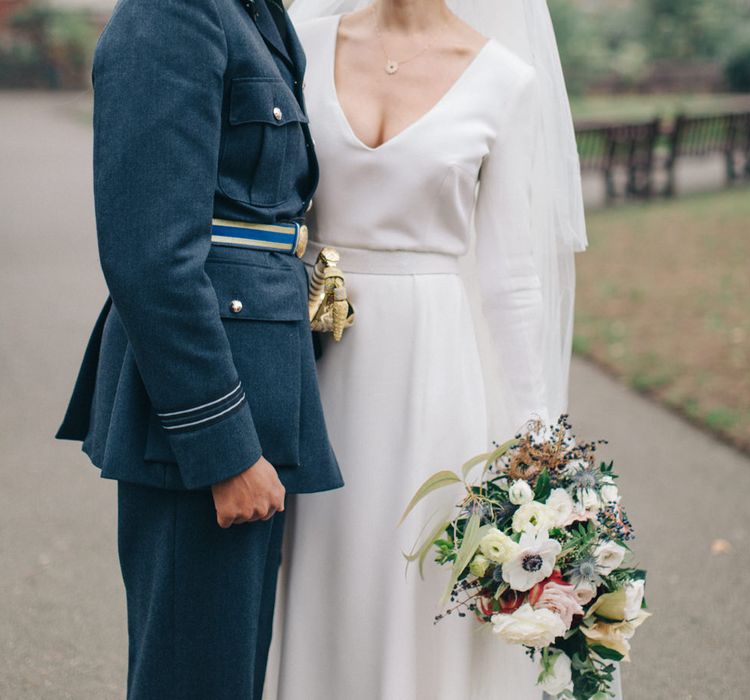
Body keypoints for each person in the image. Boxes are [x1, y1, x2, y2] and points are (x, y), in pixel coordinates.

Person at [266, 1, 621, 699]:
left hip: (431, 370)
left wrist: (540, 445)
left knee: (414, 574)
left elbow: (513, 279)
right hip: (311, 351)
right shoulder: (297, 45)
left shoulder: (505, 80)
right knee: (320, 566)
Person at [55, 0, 342, 697]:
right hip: (206, 407)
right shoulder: (170, 13)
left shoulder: (254, 14)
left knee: (225, 670)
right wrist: (225, 447)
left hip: (258, 379)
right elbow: (149, 256)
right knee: (194, 675)